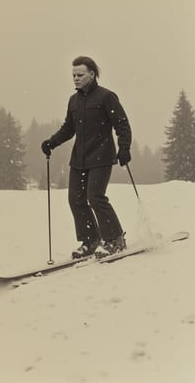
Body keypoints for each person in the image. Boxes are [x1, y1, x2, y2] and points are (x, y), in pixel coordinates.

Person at [41, 56, 132, 259]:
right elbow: (69, 128)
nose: (76, 78)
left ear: (92, 74)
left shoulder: (106, 97)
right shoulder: (74, 101)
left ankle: (116, 240)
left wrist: (124, 148)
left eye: (80, 74)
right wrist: (51, 142)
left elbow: (122, 124)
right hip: (79, 159)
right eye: (73, 75)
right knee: (75, 199)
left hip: (101, 156)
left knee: (95, 197)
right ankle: (90, 241)